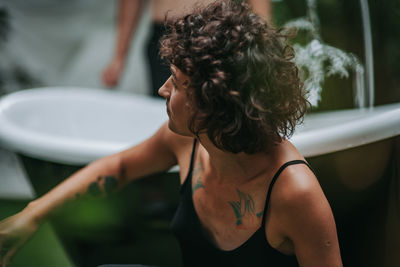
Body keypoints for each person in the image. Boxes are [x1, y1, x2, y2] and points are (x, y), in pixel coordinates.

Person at [0, 1, 343, 266]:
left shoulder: (295, 193)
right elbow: (118, 167)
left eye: (177, 83)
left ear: (215, 101)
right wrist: (31, 215)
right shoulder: (188, 140)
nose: (163, 89)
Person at [101, 0, 272, 96]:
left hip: (217, 36)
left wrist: (263, 47)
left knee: (217, 114)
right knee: (167, 112)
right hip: (165, 36)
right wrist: (119, 56)